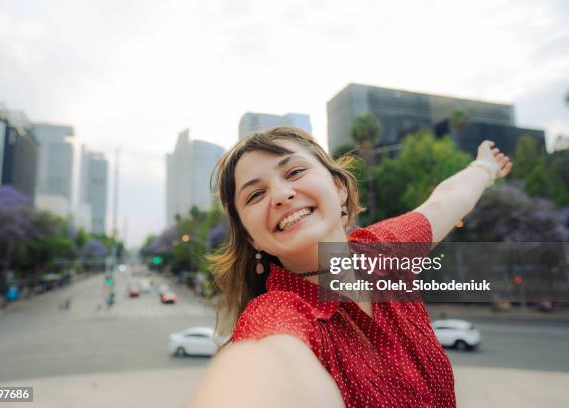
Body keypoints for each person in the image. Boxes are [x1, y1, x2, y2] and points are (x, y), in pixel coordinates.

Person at [189, 126, 512, 407]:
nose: (282, 195)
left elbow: (447, 199)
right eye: (256, 194)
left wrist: (484, 165)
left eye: (294, 172)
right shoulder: (277, 314)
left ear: (339, 189)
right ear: (251, 238)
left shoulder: (383, 248)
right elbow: (269, 366)